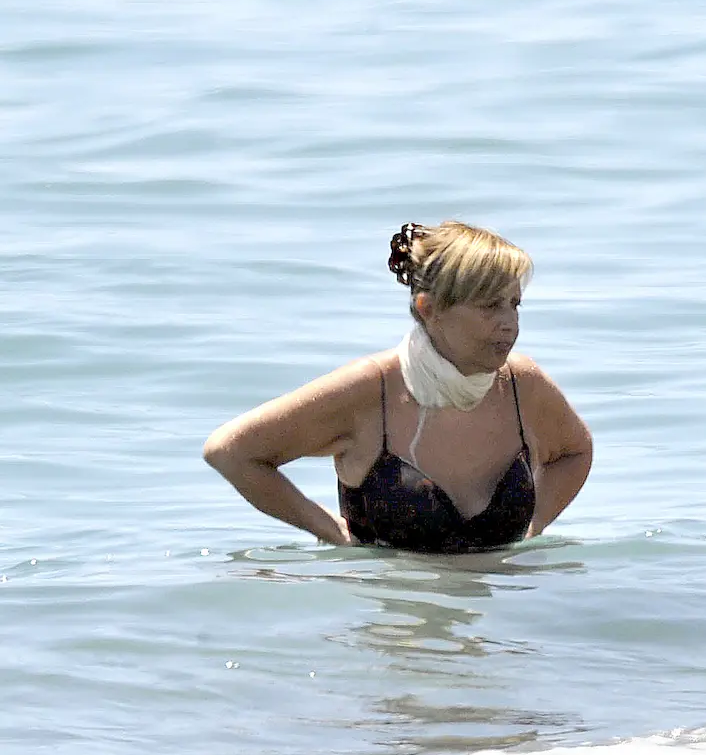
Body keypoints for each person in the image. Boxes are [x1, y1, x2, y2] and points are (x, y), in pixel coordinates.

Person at [204, 221, 593, 552]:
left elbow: (575, 451)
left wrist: (532, 528)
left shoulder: (521, 384)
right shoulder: (371, 389)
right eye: (490, 306)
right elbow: (231, 452)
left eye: (515, 303)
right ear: (429, 309)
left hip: (503, 621)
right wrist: (329, 533)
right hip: (396, 621)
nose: (509, 323)